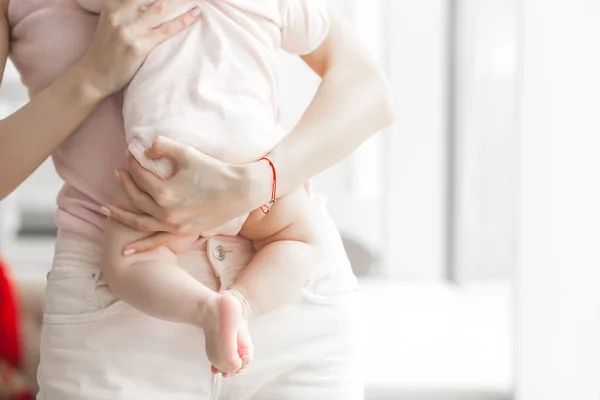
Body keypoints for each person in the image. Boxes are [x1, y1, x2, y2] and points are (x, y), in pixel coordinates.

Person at [0, 0, 395, 398]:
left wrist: (255, 183)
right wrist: (92, 75)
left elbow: (371, 91)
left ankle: (223, 306)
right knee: (295, 234)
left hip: (284, 298)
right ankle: (233, 304)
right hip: (119, 312)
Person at [75, 0, 332, 376]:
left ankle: (207, 310)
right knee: (300, 239)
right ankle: (241, 303)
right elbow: (314, 30)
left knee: (130, 260)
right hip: (256, 158)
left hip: (168, 161)